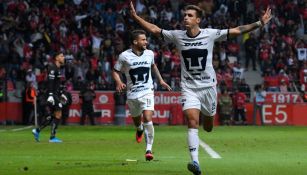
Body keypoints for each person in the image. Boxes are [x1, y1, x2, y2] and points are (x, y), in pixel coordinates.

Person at [129, 2, 271, 174]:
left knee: (208, 126)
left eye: (190, 16)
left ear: (198, 20)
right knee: (192, 121)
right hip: (189, 88)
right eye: (185, 15)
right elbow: (154, 29)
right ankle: (195, 163)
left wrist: (259, 23)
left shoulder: (210, 34)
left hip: (208, 87)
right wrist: (136, 17)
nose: (186, 18)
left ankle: (208, 120)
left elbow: (237, 30)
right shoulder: (177, 35)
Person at [112, 29, 172, 161]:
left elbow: (153, 66)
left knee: (148, 118)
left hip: (147, 91)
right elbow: (115, 71)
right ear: (135, 41)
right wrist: (119, 82)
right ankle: (139, 129)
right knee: (137, 121)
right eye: (143, 39)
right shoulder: (124, 56)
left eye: (146, 39)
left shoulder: (150, 53)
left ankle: (148, 149)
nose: (146, 42)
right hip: (132, 94)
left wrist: (160, 80)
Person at [32, 52, 67, 143]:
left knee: (53, 116)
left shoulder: (58, 69)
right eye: (61, 56)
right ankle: (52, 138)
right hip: (50, 95)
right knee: (58, 114)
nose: (63, 58)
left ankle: (37, 130)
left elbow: (56, 84)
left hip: (54, 94)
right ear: (56, 58)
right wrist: (51, 95)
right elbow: (50, 83)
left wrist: (61, 93)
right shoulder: (52, 68)